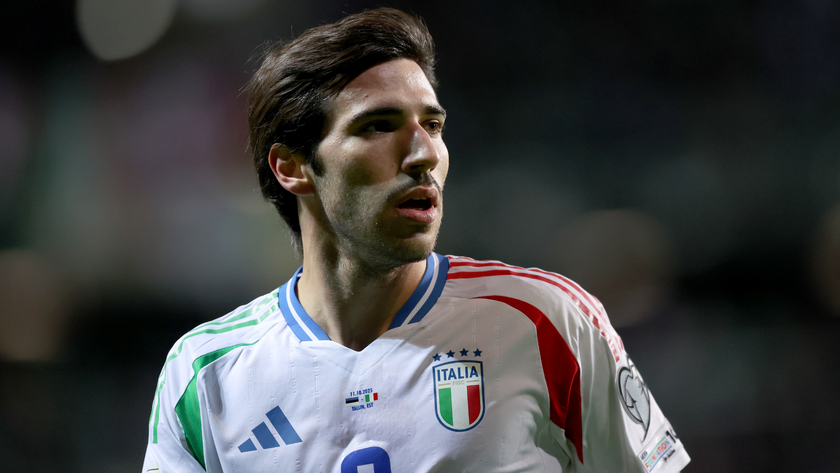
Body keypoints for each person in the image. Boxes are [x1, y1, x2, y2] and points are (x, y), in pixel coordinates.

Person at [142, 8, 690, 473]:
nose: (423, 152)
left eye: (433, 124)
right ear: (293, 167)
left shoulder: (545, 319)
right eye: (378, 125)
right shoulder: (205, 374)